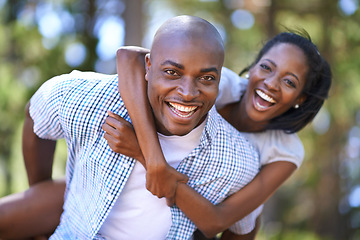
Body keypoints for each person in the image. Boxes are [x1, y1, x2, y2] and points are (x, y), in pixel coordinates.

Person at [0, 15, 261, 240]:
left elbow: (243, 226)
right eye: (172, 72)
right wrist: (40, 190)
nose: (187, 92)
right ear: (148, 66)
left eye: (206, 78)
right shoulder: (91, 100)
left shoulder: (236, 160)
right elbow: (36, 114)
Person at [108, 30, 332, 239]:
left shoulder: (285, 150)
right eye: (266, 67)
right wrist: (154, 156)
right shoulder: (217, 84)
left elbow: (217, 221)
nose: (271, 83)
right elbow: (129, 57)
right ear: (252, 67)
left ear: (300, 99)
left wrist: (143, 154)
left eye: (289, 81)